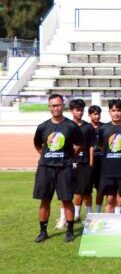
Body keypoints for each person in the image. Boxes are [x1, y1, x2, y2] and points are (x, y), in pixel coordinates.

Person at [32, 94, 82, 243]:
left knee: (67, 199)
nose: (56, 108)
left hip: (64, 168)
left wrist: (69, 157)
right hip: (45, 168)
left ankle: (70, 231)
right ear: (49, 107)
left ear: (63, 106)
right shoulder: (43, 127)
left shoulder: (71, 126)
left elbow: (79, 144)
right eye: (53, 105)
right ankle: (43, 231)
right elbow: (37, 144)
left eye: (58, 105)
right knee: (44, 200)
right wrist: (45, 155)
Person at [69, 99, 95, 223]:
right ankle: (74, 215)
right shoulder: (67, 125)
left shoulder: (88, 127)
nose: (79, 113)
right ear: (71, 111)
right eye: (77, 110)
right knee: (72, 191)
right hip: (69, 163)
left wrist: (91, 162)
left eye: (81, 110)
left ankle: (90, 216)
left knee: (86, 191)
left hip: (84, 162)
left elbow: (91, 145)